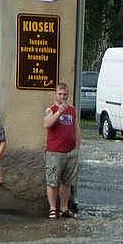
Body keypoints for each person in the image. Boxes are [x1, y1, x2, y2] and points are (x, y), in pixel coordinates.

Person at [43, 82, 80, 219]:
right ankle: (53, 208)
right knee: (52, 182)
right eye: (60, 94)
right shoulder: (50, 109)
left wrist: (77, 146)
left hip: (70, 152)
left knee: (67, 182)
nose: (62, 96)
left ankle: (64, 208)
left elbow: (76, 129)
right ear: (55, 94)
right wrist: (59, 112)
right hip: (55, 152)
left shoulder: (72, 110)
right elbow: (46, 124)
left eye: (65, 94)